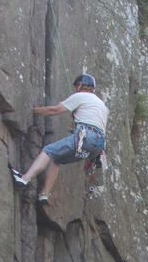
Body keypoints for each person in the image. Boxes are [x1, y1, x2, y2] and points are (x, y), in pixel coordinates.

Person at [11, 73, 108, 203]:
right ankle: (44, 194)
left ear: (80, 85)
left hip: (85, 137)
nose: (75, 90)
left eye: (76, 87)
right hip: (97, 146)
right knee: (57, 159)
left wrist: (33, 110)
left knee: (48, 151)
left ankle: (25, 178)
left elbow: (54, 110)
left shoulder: (81, 96)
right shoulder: (101, 105)